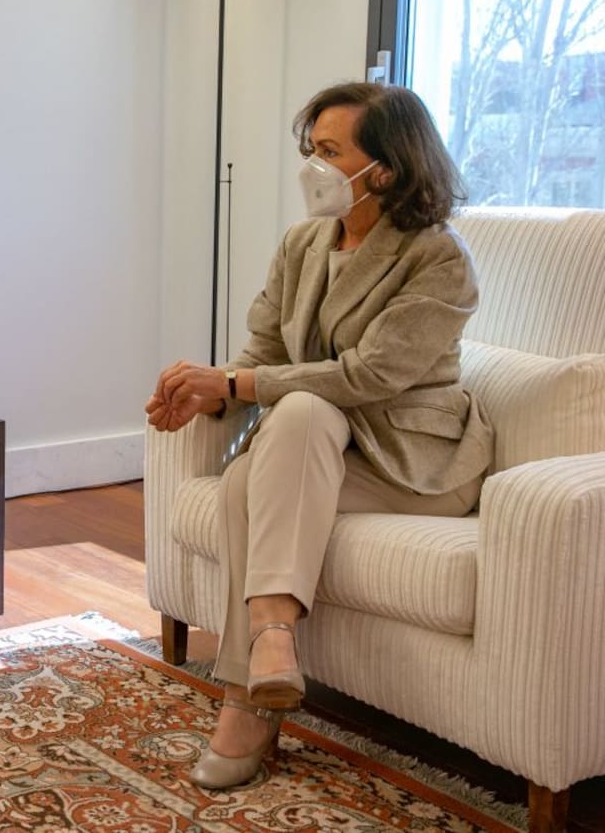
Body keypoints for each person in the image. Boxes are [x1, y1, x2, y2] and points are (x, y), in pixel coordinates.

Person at [145, 82, 493, 789]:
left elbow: (369, 375)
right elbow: (264, 352)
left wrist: (234, 384)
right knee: (274, 445)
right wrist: (208, 393)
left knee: (268, 455)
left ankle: (247, 698)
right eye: (312, 149)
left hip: (414, 465)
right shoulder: (303, 244)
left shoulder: (439, 257)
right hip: (320, 448)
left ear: (386, 169)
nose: (314, 167)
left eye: (331, 152)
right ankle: (270, 649)